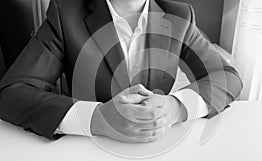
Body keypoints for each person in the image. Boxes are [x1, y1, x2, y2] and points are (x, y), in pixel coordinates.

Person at [0, 0, 243, 142]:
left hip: (157, 149)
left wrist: (175, 107)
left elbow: (226, 76)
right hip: (86, 152)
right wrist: (98, 119)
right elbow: (11, 92)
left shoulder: (178, 14)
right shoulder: (66, 13)